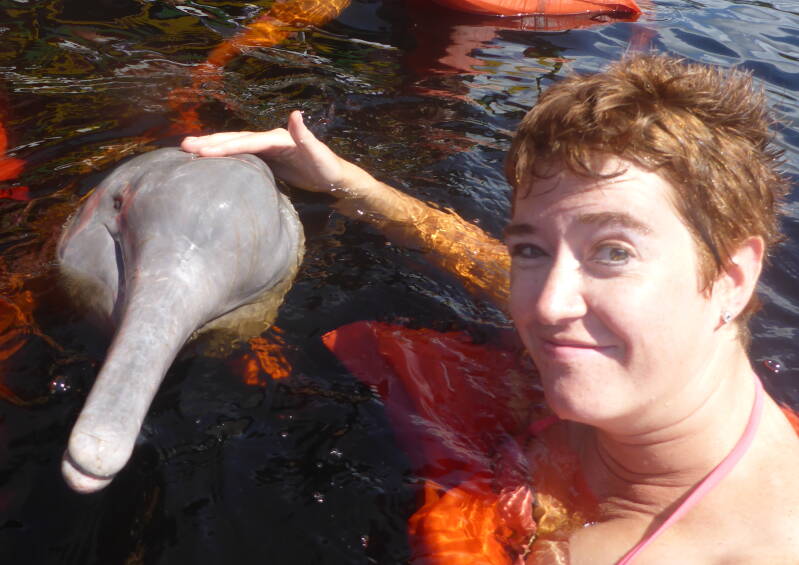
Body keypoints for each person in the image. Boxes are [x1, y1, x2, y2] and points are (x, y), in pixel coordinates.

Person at [181, 54, 799, 563]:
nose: (547, 305)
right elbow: (477, 260)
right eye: (532, 247)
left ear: (731, 277)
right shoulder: (629, 365)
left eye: (613, 251)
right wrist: (346, 182)